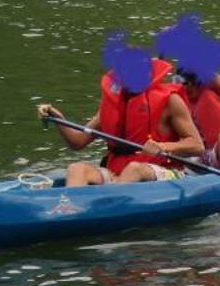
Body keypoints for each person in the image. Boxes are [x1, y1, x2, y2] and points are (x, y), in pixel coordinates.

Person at [38, 53, 205, 186]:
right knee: (77, 169)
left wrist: (163, 146)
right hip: (117, 175)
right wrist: (58, 119)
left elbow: (197, 146)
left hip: (164, 173)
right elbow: (78, 142)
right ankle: (69, 210)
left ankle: (108, 207)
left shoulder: (170, 100)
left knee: (134, 169)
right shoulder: (114, 103)